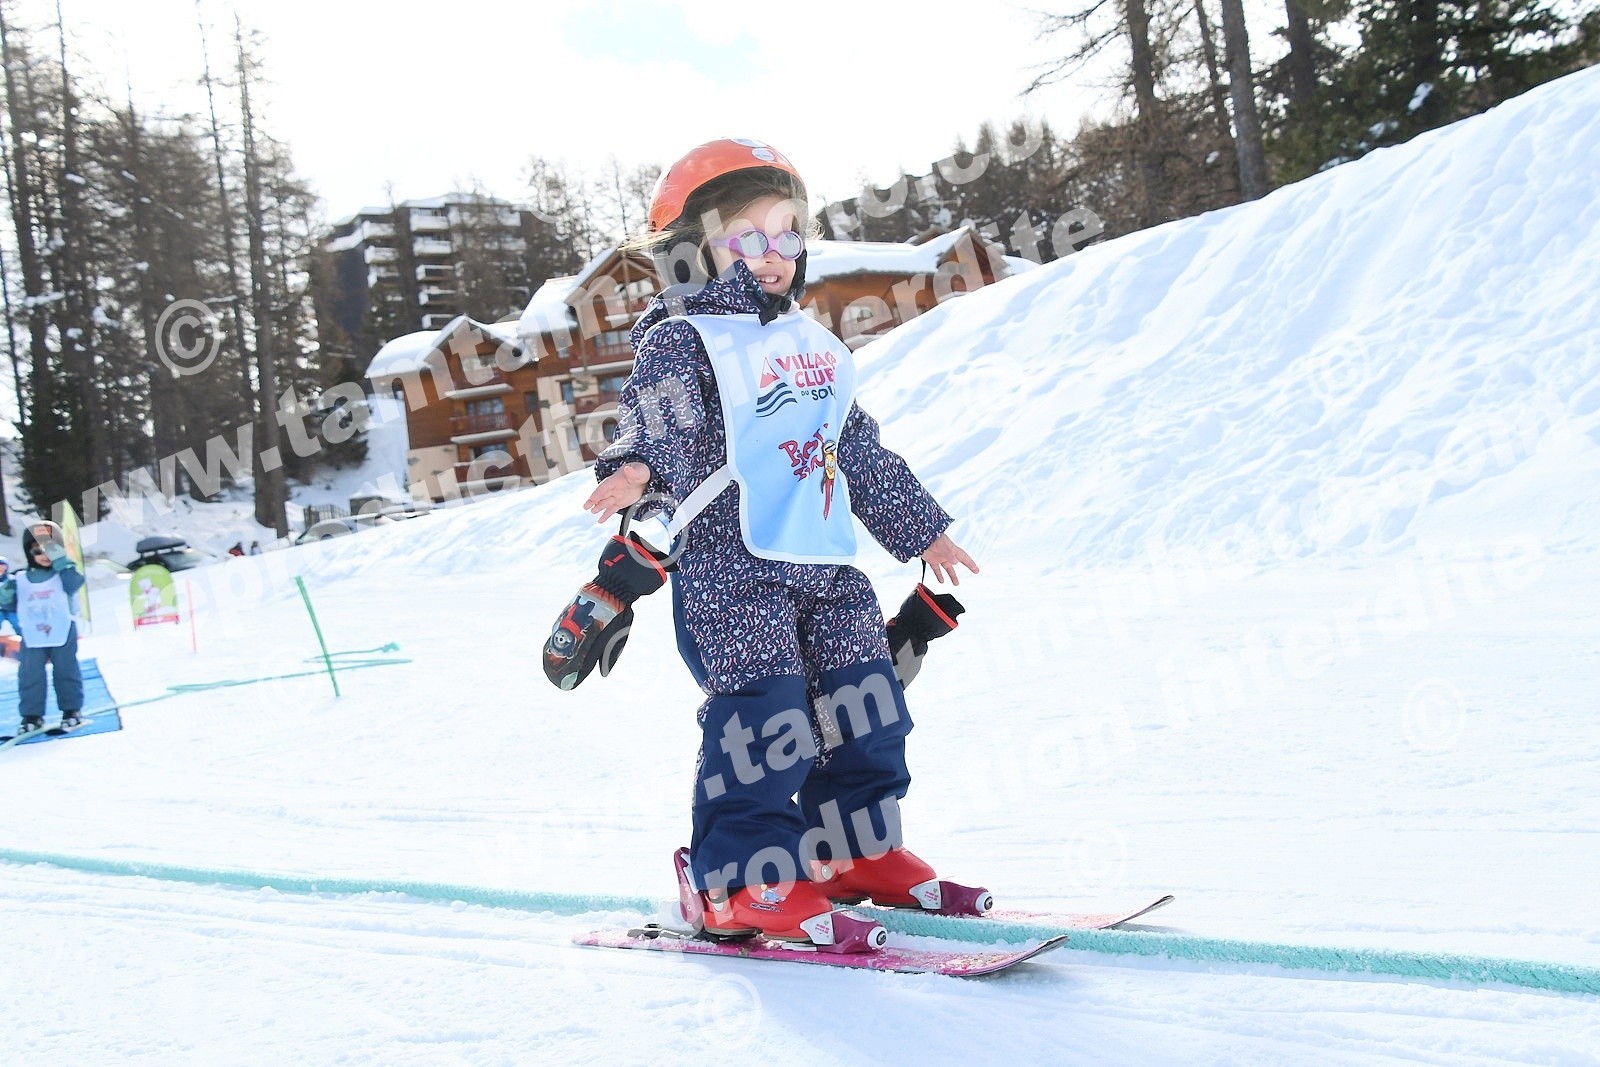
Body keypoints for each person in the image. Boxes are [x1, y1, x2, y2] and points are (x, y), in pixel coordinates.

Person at [546, 139, 979, 947]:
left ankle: (852, 849)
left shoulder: (813, 344)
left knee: (867, 703)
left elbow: (854, 445)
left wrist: (922, 527)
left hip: (824, 559)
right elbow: (659, 414)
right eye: (748, 235)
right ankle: (737, 882)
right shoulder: (685, 336)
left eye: (788, 233)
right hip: (731, 570)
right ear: (691, 248)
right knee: (769, 720)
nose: (774, 252)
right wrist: (637, 465)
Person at [15, 521, 86, 734]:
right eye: (38, 551)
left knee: (66, 670)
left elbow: (74, 583)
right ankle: (31, 715)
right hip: (33, 634)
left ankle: (71, 710)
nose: (44, 555)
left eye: (50, 549)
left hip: (62, 629)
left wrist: (63, 563)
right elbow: (11, 602)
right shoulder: (21, 578)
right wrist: (5, 594)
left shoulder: (64, 574)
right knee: (30, 674)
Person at [0, 556, 18, 636]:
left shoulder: (12, 580)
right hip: (1, 610)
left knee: (18, 627)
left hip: (12, 609)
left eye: (2, 565)